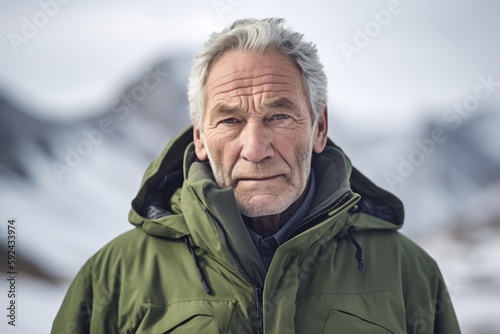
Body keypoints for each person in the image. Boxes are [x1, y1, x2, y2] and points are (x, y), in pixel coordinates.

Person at [52, 18, 461, 333]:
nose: (255, 148)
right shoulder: (114, 276)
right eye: (229, 120)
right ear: (199, 138)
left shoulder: (409, 273)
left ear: (319, 128)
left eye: (279, 115)